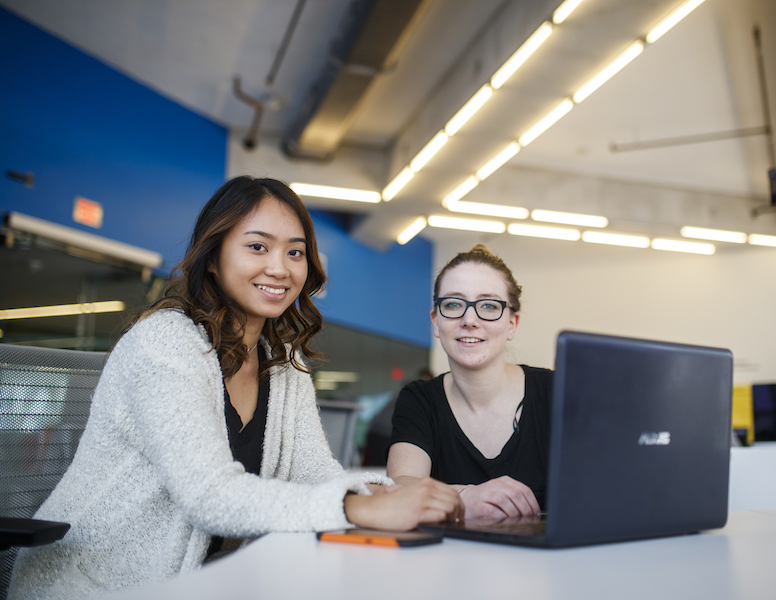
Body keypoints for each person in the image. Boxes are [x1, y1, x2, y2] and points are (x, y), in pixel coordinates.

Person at [9, 176, 462, 600]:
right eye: (257, 246)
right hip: (98, 587)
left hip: (212, 581)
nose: (279, 268)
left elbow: (319, 477)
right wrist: (360, 508)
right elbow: (209, 496)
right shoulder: (165, 343)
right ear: (214, 256)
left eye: (295, 252)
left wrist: (429, 494)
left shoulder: (283, 360)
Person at [387, 245, 552, 521]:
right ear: (436, 322)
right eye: (453, 304)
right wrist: (463, 497)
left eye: (488, 305)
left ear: (512, 323)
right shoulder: (419, 399)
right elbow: (400, 485)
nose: (469, 320)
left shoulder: (555, 391)